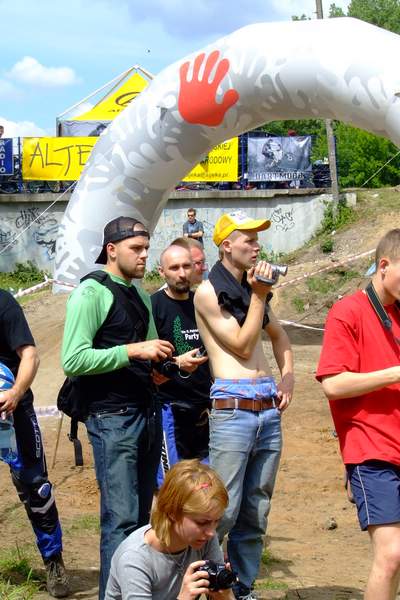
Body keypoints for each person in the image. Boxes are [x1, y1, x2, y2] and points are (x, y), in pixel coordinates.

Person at [61, 216, 174, 600]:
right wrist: (134, 350)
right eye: (136, 249)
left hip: (146, 412)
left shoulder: (139, 294)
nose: (144, 256)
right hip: (112, 419)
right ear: (111, 250)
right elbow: (73, 360)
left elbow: (149, 353)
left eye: (146, 249)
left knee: (141, 521)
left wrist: (170, 365)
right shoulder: (91, 292)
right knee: (120, 521)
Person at [194, 210, 294, 600]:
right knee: (223, 507)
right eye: (248, 239)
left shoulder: (250, 289)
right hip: (233, 408)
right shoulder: (208, 291)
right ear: (226, 246)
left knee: (256, 508)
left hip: (267, 406)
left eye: (257, 238)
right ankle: (204, 582)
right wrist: (259, 295)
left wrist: (288, 378)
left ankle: (242, 587)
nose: (257, 246)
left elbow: (279, 336)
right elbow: (241, 344)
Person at [316, 228, 400, 600]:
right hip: (372, 452)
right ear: (384, 266)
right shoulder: (347, 311)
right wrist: (396, 373)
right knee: (391, 555)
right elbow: (333, 384)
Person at [0, 289, 69, 597]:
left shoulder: (3, 302)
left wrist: (15, 393)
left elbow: (30, 354)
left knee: (36, 487)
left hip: (13, 409)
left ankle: (54, 561)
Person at [105, 459, 235, 600]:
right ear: (172, 512)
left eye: (217, 521)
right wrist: (183, 598)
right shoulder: (135, 558)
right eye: (202, 522)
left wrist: (225, 595)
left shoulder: (204, 538)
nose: (211, 532)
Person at [151, 244, 212, 482]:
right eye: (174, 268)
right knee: (172, 484)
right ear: (161, 271)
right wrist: (175, 363)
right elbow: (145, 358)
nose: (182, 273)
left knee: (206, 482)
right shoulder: (153, 306)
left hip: (205, 408)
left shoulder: (203, 302)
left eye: (187, 266)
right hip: (170, 409)